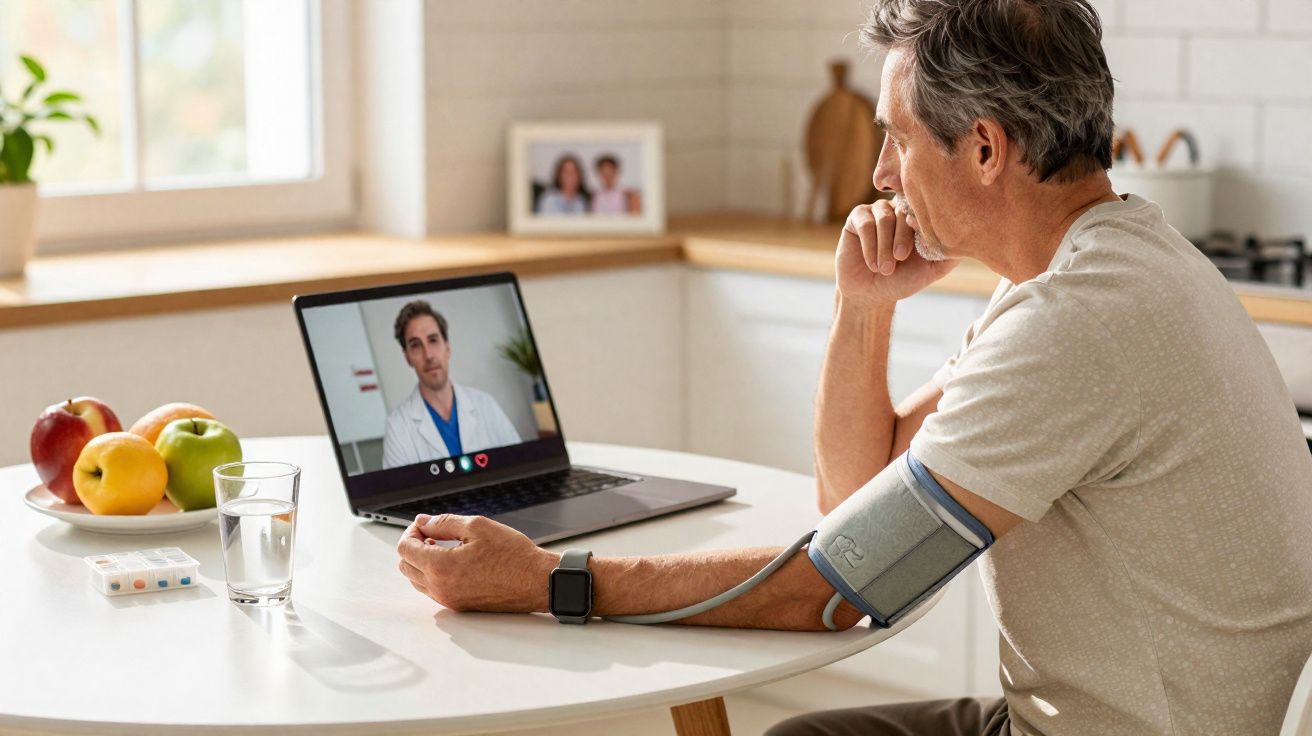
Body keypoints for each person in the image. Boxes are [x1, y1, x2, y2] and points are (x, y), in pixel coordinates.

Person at [394, 1, 1312, 734]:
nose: (879, 173)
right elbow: (859, 499)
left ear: (985, 148)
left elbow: (831, 592)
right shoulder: (1101, 262)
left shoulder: (1080, 320)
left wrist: (549, 581)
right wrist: (863, 308)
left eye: (898, 138)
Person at [382, 300, 522, 469]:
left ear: (447, 347)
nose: (429, 355)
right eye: (416, 345)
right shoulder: (397, 428)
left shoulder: (486, 405)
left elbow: (520, 468)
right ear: (407, 357)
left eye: (433, 340)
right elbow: (401, 494)